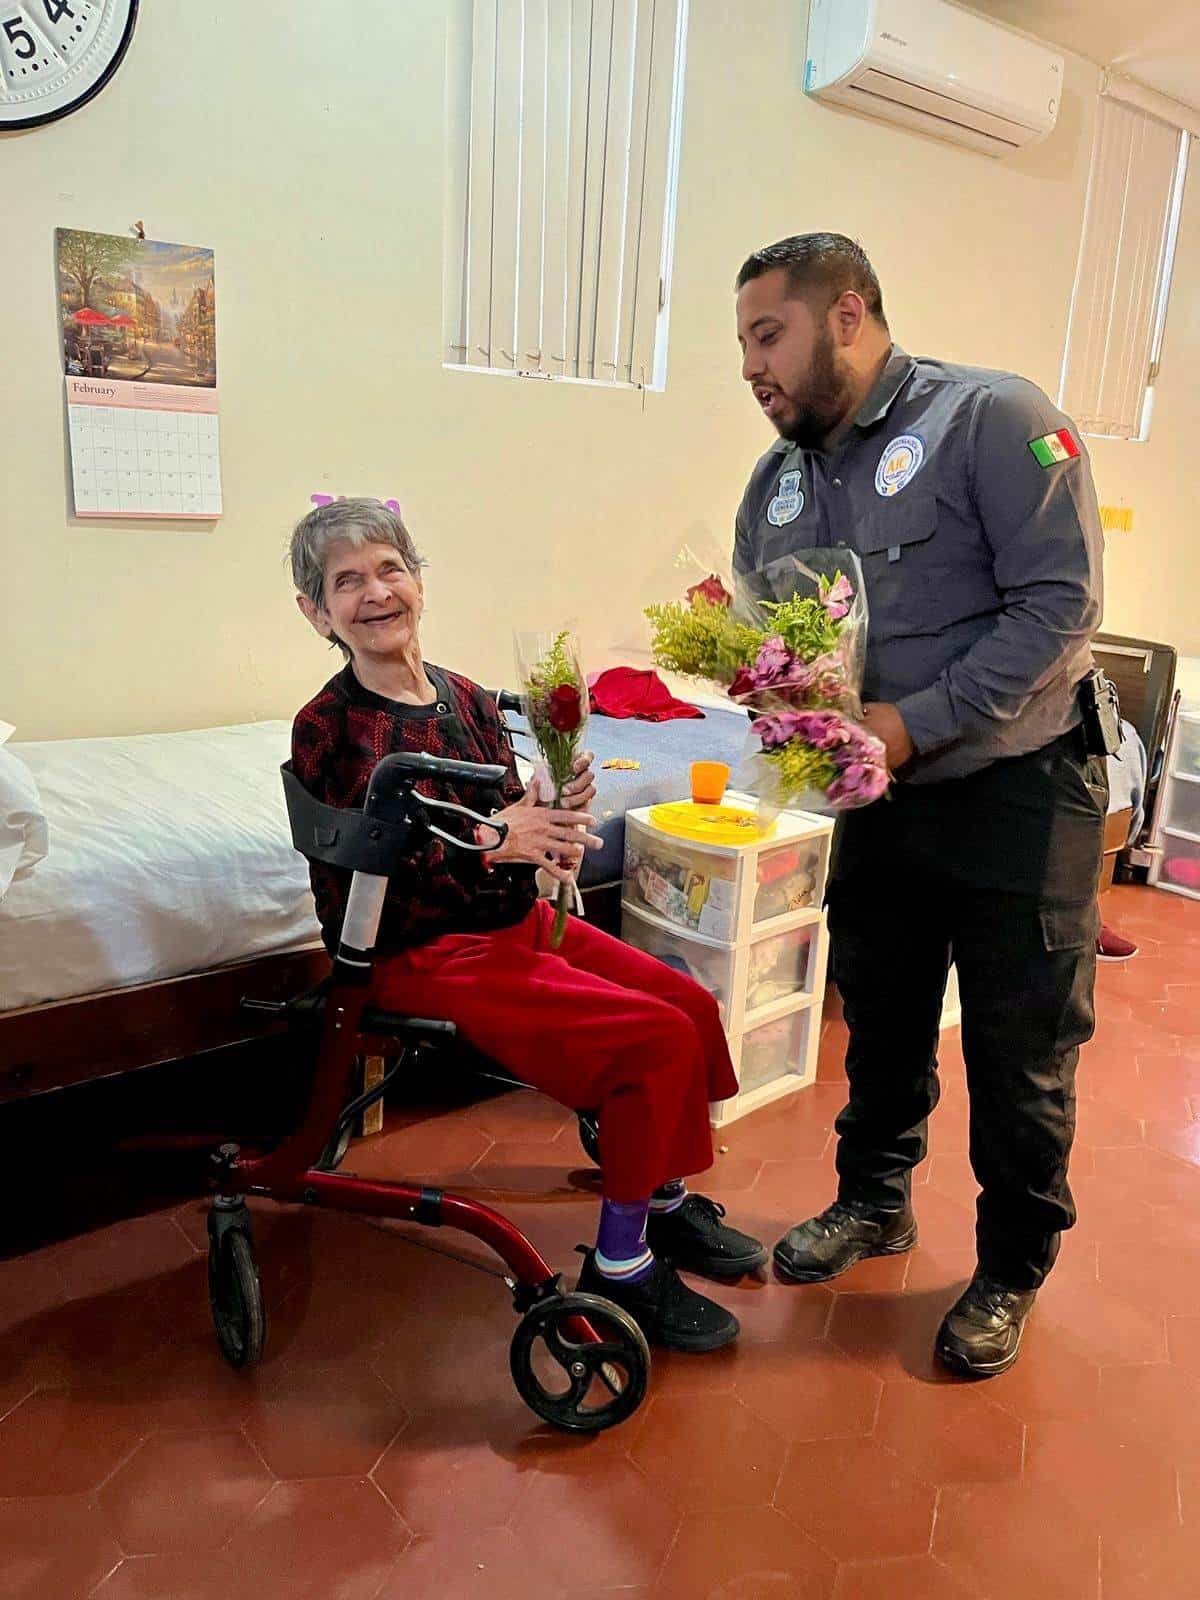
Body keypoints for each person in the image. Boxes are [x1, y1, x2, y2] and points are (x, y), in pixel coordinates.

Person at [733, 234, 1108, 1377]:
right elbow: (769, 633)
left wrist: (913, 717)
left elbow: (1061, 606)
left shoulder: (992, 419)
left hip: (1022, 791)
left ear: (847, 315)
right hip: (882, 803)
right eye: (742, 345)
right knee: (881, 1019)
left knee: (1021, 1048)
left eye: (767, 336)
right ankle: (873, 1202)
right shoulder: (780, 479)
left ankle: (1010, 1266)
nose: (751, 367)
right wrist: (773, 697)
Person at [288, 498, 767, 1352]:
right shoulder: (327, 726)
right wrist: (494, 841)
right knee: (652, 1038)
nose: (375, 592)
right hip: (420, 950)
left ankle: (662, 1200)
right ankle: (621, 1267)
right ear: (317, 613)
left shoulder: (469, 699)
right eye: (346, 581)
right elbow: (370, 879)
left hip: (510, 922)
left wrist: (552, 807)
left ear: (418, 580)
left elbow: (510, 810)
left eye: (389, 568)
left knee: (687, 1004)